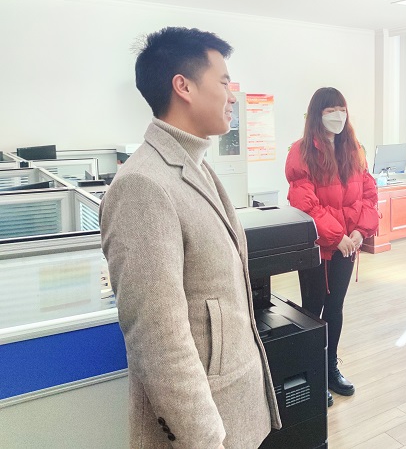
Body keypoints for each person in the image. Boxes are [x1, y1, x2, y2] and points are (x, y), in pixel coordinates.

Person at [100, 27, 280, 449]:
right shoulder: (143, 185)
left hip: (235, 408)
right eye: (224, 82)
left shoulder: (196, 165)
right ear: (183, 86)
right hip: (204, 430)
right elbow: (158, 340)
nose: (232, 96)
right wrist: (204, 440)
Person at [285, 87, 379, 407]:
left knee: (335, 307)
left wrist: (360, 231)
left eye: (342, 109)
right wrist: (337, 236)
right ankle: (311, 372)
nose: (338, 116)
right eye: (330, 110)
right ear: (317, 114)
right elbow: (304, 203)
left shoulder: (354, 149)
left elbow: (369, 195)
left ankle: (330, 368)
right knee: (312, 310)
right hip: (317, 247)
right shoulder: (301, 152)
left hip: (347, 246)